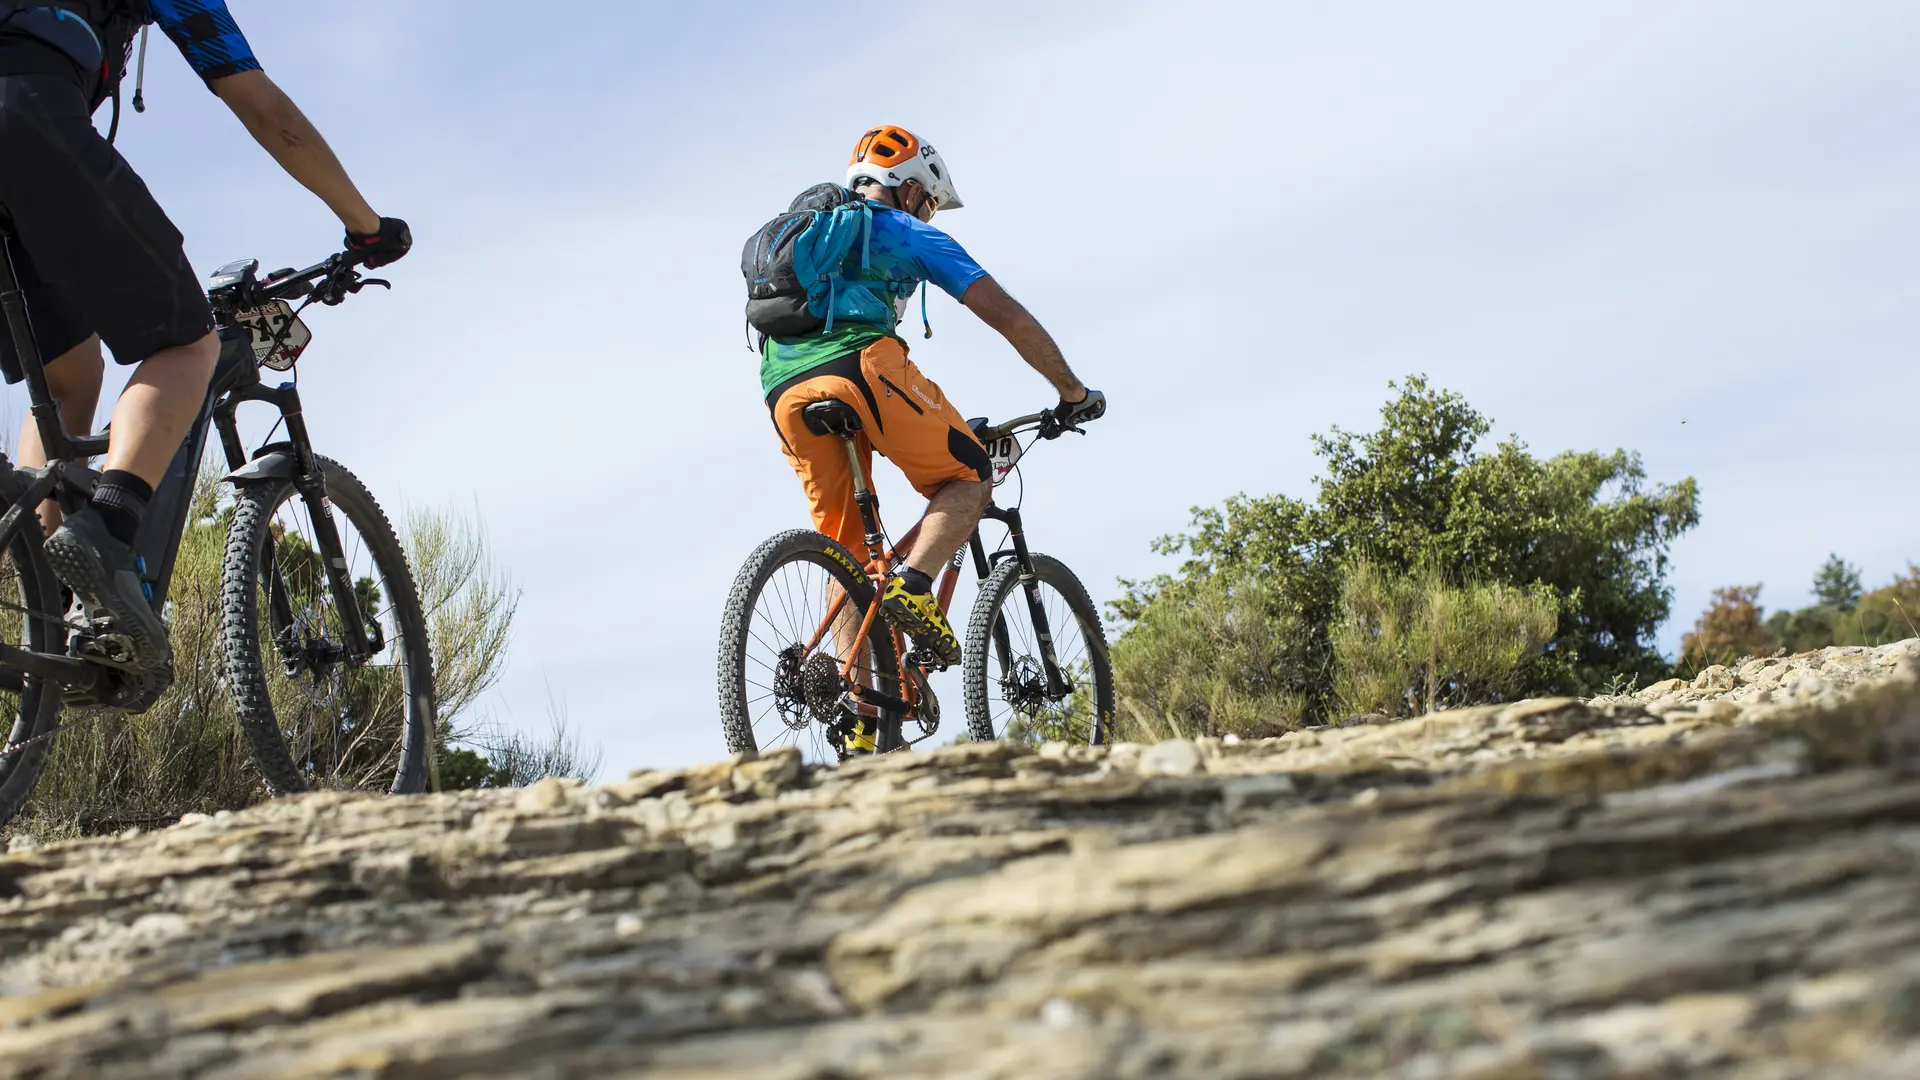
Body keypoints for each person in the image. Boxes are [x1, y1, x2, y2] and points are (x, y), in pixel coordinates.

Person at [0, 0, 409, 675]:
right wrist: (365, 225)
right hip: (24, 110)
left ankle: (50, 608)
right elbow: (266, 111)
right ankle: (105, 533)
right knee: (190, 343)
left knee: (70, 373)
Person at [762, 125, 1105, 672]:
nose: (928, 217)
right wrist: (1071, 391)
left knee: (849, 556)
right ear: (911, 188)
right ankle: (917, 587)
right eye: (929, 204)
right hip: (860, 364)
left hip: (782, 387)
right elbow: (1007, 315)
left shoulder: (810, 236)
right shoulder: (901, 230)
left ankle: (865, 724)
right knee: (970, 474)